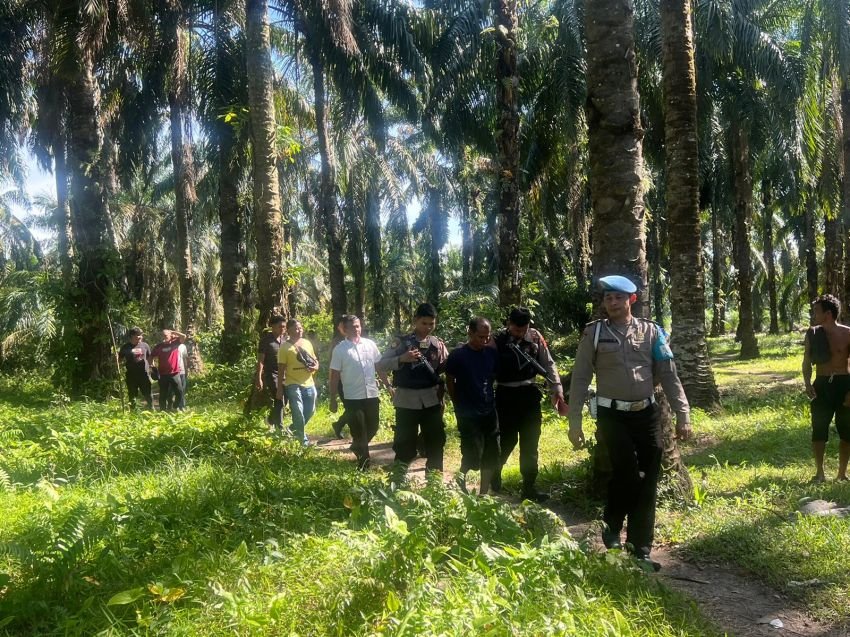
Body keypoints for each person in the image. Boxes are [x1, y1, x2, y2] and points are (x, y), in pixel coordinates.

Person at [568, 275, 691, 571]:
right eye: (607, 298)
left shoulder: (652, 333)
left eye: (618, 298)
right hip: (612, 416)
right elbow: (581, 376)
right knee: (625, 473)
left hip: (646, 414)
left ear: (631, 300)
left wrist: (683, 414)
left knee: (648, 479)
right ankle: (611, 525)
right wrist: (575, 423)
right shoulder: (594, 333)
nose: (611, 303)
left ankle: (640, 547)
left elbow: (669, 374)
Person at [490, 306, 568, 502]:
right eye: (516, 330)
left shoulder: (534, 337)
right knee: (507, 440)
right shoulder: (496, 339)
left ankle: (529, 487)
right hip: (505, 395)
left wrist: (556, 387)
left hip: (529, 394)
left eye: (523, 329)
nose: (520, 333)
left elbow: (548, 363)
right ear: (509, 324)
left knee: (530, 442)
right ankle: (494, 474)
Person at [377, 303, 450, 472]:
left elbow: (444, 368)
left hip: (431, 400)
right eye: (424, 323)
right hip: (406, 400)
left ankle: (434, 484)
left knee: (436, 442)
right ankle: (398, 482)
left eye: (431, 324)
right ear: (415, 321)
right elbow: (380, 365)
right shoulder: (401, 343)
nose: (428, 327)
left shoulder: (437, 344)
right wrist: (401, 358)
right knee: (404, 444)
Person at [445, 317, 501, 495]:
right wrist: (457, 402)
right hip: (467, 412)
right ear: (469, 333)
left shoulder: (491, 353)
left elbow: (492, 377)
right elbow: (449, 379)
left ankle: (483, 493)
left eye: (487, 337)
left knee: (492, 451)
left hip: (488, 409)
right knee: (472, 454)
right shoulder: (458, 355)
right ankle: (460, 478)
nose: (484, 341)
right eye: (479, 337)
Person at [329, 315, 389, 469]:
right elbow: (334, 375)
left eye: (357, 326)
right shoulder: (340, 349)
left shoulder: (370, 345)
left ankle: (358, 447)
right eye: (351, 327)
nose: (356, 329)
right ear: (345, 330)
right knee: (359, 430)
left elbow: (379, 367)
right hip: (352, 397)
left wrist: (389, 386)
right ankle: (364, 464)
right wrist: (333, 398)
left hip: (371, 394)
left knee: (373, 426)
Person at [802, 294, 850, 483]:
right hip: (821, 385)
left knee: (847, 432)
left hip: (844, 384)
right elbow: (806, 361)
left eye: (816, 311)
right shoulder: (812, 333)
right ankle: (819, 473)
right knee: (819, 429)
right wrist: (807, 383)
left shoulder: (847, 333)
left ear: (828, 314)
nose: (813, 315)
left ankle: (842, 474)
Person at [277, 319, 320, 446]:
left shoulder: (307, 343)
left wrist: (315, 367)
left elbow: (315, 360)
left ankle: (293, 428)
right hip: (292, 384)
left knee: (310, 410)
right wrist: (280, 388)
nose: (299, 330)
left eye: (300, 328)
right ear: (288, 330)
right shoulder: (285, 347)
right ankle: (303, 441)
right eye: (296, 328)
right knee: (298, 411)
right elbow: (281, 370)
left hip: (309, 382)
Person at [255, 315, 287, 433]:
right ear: (272, 326)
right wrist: (259, 378)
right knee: (279, 399)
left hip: (285, 374)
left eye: (284, 327)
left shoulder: (285, 340)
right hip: (271, 374)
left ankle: (271, 419)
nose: (282, 329)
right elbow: (261, 360)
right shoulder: (266, 341)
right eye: (280, 326)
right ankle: (280, 427)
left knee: (286, 398)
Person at [152, 328, 187, 411]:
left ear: (170, 335)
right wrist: (152, 366)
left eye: (165, 336)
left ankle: (175, 407)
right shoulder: (159, 346)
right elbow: (151, 356)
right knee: (163, 394)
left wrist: (174, 332)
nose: (163, 337)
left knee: (179, 392)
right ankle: (163, 410)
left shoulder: (175, 343)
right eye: (162, 336)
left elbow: (184, 336)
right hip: (163, 374)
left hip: (175, 373)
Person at [118, 327, 153, 410]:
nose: (140, 337)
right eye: (138, 335)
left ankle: (151, 408)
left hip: (144, 374)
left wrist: (152, 367)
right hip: (131, 375)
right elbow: (120, 359)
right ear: (132, 336)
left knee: (147, 393)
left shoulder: (145, 345)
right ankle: (132, 411)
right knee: (132, 394)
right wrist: (117, 362)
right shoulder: (126, 347)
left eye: (141, 335)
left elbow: (149, 357)